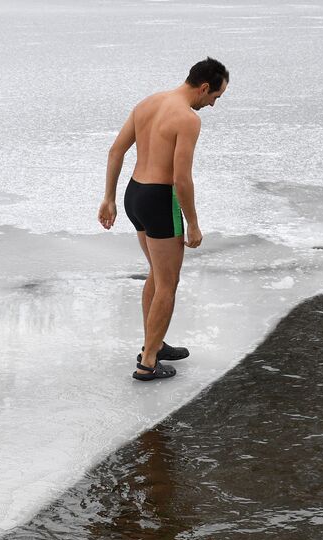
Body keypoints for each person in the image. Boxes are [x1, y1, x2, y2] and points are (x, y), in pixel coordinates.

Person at [98, 57, 229, 382]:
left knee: (156, 274)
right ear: (203, 87)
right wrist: (194, 223)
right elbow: (181, 180)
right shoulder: (187, 119)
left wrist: (109, 198)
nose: (212, 104)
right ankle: (148, 363)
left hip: (134, 195)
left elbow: (116, 151)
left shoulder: (149, 103)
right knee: (168, 283)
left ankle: (152, 344)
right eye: (215, 97)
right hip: (159, 199)